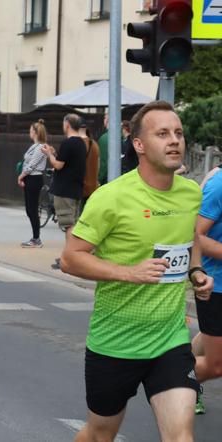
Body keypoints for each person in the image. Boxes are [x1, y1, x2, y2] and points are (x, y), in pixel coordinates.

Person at [60, 100, 213, 442]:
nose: (174, 140)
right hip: (115, 343)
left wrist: (197, 271)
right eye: (162, 134)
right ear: (139, 145)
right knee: (100, 434)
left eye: (178, 133)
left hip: (170, 340)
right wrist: (130, 272)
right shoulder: (111, 197)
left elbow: (190, 236)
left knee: (181, 437)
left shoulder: (190, 193)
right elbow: (71, 258)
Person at [190, 165, 222, 415]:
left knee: (210, 340)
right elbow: (197, 235)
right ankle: (172, 382)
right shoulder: (218, 185)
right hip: (216, 284)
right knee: (215, 365)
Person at [41, 114, 87, 269]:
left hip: (64, 189)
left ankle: (69, 258)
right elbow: (66, 161)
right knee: (73, 223)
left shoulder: (69, 143)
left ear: (67, 124)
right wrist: (54, 153)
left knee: (68, 225)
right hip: (75, 189)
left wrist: (49, 155)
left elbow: (58, 165)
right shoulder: (81, 143)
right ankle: (70, 256)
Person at [17, 120, 48, 248]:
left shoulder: (41, 147)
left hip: (34, 178)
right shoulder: (34, 146)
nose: (29, 133)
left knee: (32, 209)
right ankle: (35, 237)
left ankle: (37, 238)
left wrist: (21, 176)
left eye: (31, 130)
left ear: (35, 132)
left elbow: (32, 165)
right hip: (29, 178)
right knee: (29, 209)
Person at [79, 123, 100, 209]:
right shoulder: (94, 144)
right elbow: (98, 165)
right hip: (93, 186)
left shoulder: (78, 144)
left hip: (80, 188)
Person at [98, 112, 109, 185]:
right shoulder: (123, 136)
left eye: (104, 118)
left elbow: (104, 162)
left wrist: (99, 179)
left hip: (107, 181)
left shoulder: (105, 138)